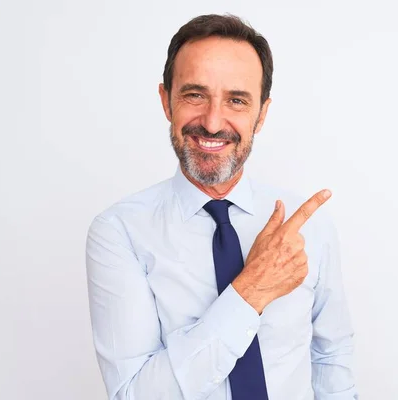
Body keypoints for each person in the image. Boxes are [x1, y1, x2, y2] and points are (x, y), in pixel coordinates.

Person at [85, 14, 357, 400]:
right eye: (195, 95)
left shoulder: (308, 226)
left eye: (237, 100)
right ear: (166, 101)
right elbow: (135, 394)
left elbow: (332, 359)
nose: (213, 122)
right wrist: (252, 290)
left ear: (261, 114)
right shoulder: (119, 232)